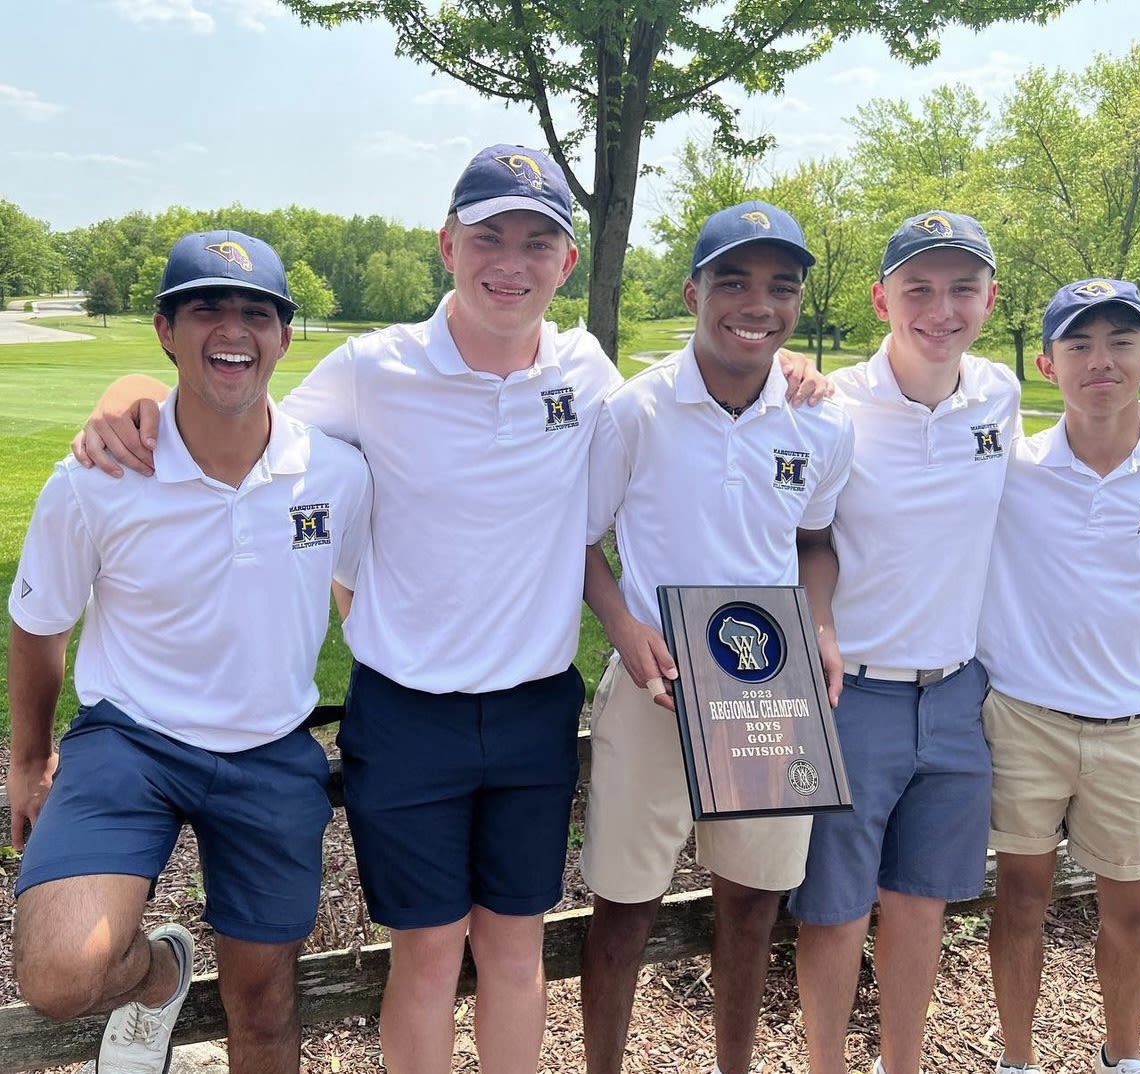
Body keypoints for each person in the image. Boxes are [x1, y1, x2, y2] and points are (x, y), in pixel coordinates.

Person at [70, 146, 830, 1074]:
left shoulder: (586, 372)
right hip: (407, 712)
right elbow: (239, 413)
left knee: (514, 952)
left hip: (530, 708)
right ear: (447, 245)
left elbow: (715, 386)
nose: (510, 262)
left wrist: (798, 371)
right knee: (428, 955)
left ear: (566, 262)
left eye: (537, 241)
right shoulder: (372, 369)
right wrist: (131, 394)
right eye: (489, 237)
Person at [7, 230, 373, 1074]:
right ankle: (159, 973)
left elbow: (356, 586)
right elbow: (39, 624)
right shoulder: (98, 477)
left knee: (268, 1010)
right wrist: (28, 760)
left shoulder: (336, 474)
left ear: (285, 336)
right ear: (166, 330)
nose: (232, 329)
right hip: (129, 740)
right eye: (205, 307)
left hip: (270, 748)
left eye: (256, 312)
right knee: (60, 975)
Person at [578, 201, 853, 1074]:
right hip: (657, 683)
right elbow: (581, 541)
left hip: (767, 690)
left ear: (798, 304)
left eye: (779, 287)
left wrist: (817, 627)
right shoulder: (637, 411)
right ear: (694, 291)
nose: (755, 303)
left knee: (751, 905)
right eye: (732, 281)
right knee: (624, 906)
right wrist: (622, 629)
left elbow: (813, 543)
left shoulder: (821, 422)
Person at [976, 279, 1140, 1074]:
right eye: (1078, 344)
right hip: (1023, 719)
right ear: (1044, 363)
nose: (1100, 361)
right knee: (1018, 903)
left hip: (1136, 731)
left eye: (1120, 342)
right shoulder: (1008, 468)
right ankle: (1016, 1062)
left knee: (1132, 912)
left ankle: (1123, 1057)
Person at [790, 210, 1022, 1074]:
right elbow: (805, 535)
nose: (940, 308)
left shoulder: (997, 394)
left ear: (989, 299)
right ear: (881, 296)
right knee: (835, 908)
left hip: (957, 695)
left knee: (921, 901)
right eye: (917, 288)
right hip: (856, 693)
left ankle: (902, 1064)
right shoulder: (828, 403)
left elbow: (1072, 455)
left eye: (961, 288)